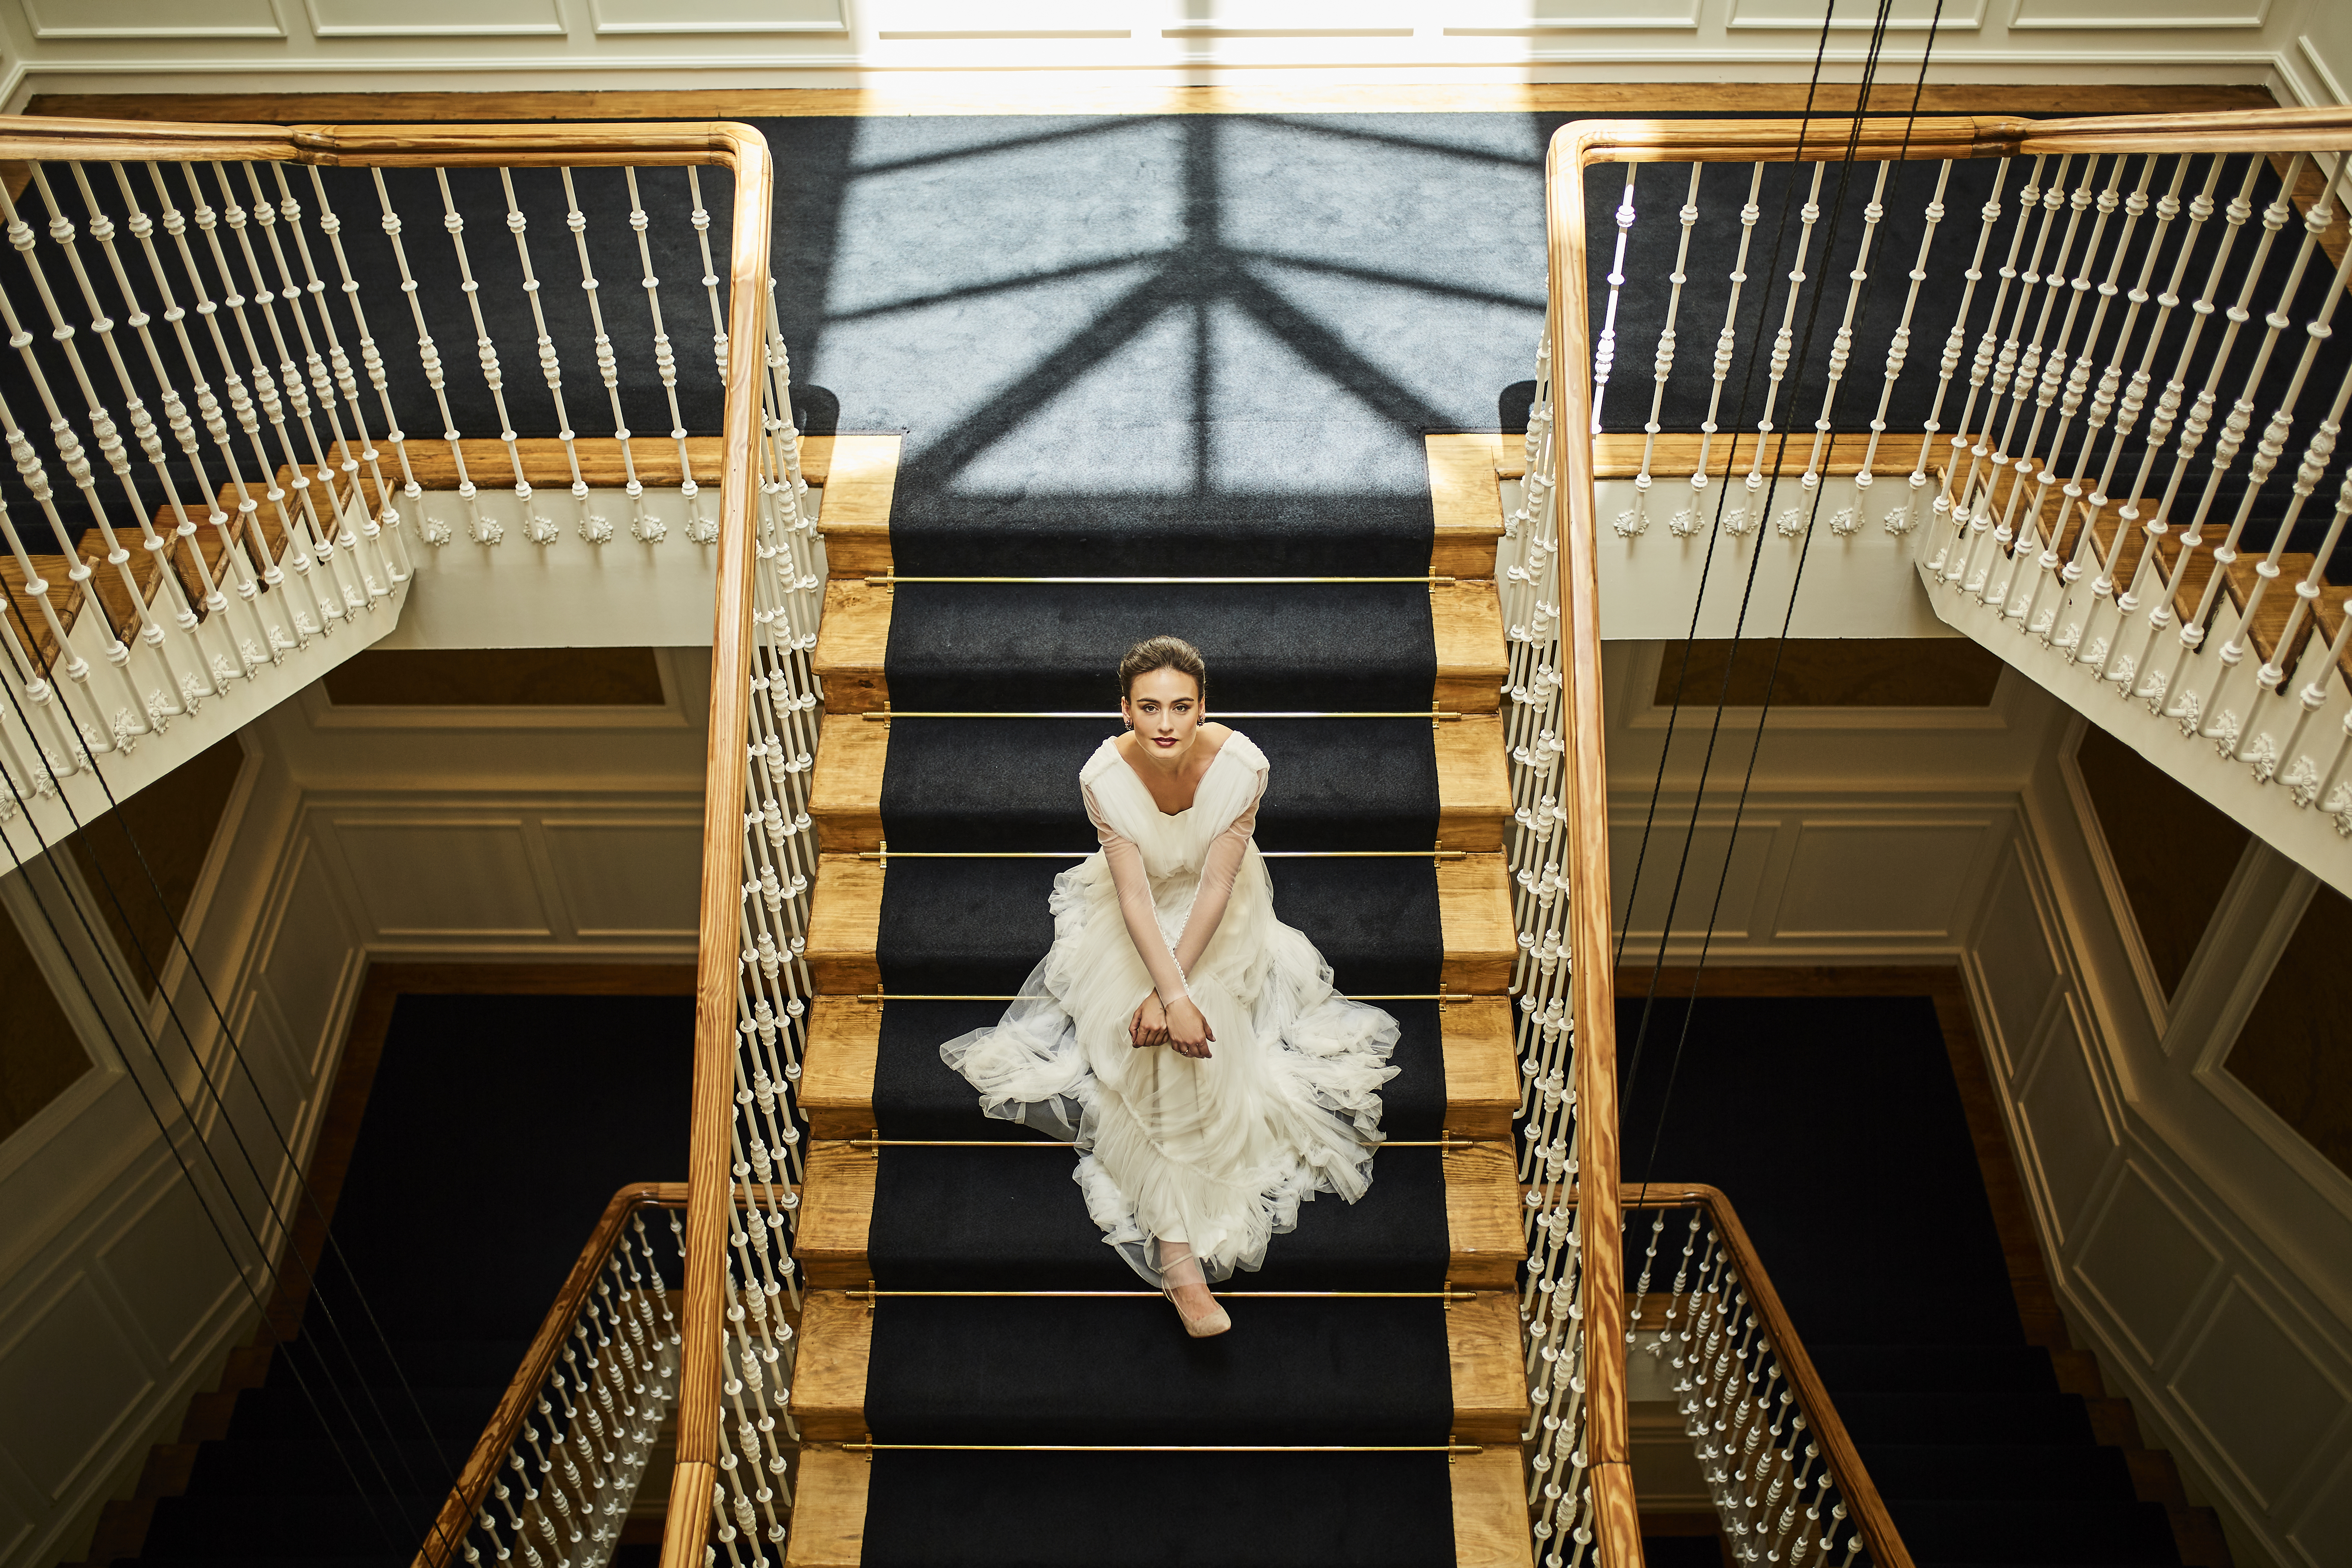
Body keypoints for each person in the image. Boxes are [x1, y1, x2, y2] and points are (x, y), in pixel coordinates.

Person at [941, 635, 1399, 1337]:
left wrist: (1177, 994)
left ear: (1202, 708)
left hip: (1223, 915)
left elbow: (1217, 884)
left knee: (1193, 1031)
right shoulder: (1102, 778)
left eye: (1180, 707)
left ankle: (1176, 1253)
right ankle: (1179, 1255)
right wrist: (1163, 993)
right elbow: (1132, 900)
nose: (1164, 723)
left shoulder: (1243, 767)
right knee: (1144, 1040)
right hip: (1139, 914)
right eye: (1149, 707)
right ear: (1123, 709)